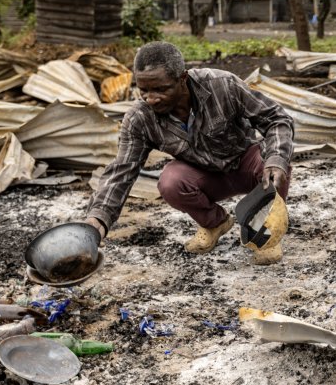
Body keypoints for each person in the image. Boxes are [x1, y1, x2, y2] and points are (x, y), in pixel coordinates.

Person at [85, 41, 294, 260]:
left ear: (183, 79)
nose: (151, 98)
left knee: (276, 160)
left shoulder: (221, 85)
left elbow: (276, 119)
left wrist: (276, 159)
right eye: (143, 90)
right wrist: (98, 219)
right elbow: (122, 170)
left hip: (246, 165)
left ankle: (267, 234)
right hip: (205, 177)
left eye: (160, 89)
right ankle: (215, 224)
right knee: (170, 182)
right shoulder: (140, 119)